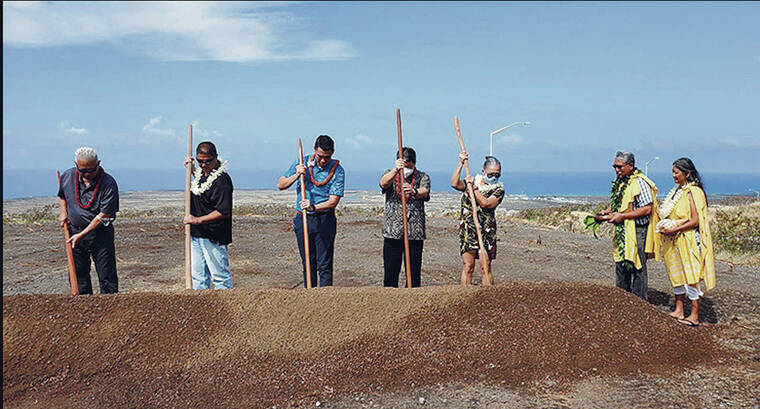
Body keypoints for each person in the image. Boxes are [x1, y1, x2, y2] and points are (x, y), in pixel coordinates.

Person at [278, 135, 345, 287]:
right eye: (320, 156)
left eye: (327, 157)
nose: (323, 161)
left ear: (332, 153)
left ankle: (325, 299)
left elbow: (333, 201)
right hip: (303, 219)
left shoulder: (338, 170)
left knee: (324, 265)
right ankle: (309, 298)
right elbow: (281, 184)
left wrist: (313, 207)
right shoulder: (302, 162)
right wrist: (297, 175)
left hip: (324, 219)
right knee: (308, 263)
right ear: (315, 150)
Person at [657, 158, 715, 327]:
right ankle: (679, 309)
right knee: (676, 273)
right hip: (673, 239)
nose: (673, 175)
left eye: (676, 172)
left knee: (691, 275)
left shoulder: (693, 192)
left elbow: (696, 220)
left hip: (687, 239)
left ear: (687, 173)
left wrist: (675, 228)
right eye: (673, 172)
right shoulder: (678, 191)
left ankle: (694, 315)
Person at [594, 150, 659, 301]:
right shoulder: (622, 181)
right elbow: (621, 204)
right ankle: (622, 300)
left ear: (631, 165)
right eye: (615, 167)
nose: (617, 170)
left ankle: (639, 302)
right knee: (621, 264)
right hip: (623, 230)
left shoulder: (640, 182)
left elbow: (647, 208)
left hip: (637, 230)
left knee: (637, 266)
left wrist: (622, 216)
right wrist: (608, 212)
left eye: (620, 167)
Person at [57, 147, 120, 294]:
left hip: (100, 234)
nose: (87, 174)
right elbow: (62, 195)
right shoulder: (68, 176)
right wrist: (63, 211)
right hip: (75, 232)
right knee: (79, 274)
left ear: (98, 164)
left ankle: (111, 309)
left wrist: (82, 235)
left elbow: (104, 215)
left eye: (91, 170)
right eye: (82, 170)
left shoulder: (108, 183)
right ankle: (83, 309)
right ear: (76, 164)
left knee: (107, 275)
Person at [183, 141, 234, 290]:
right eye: (200, 161)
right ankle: (202, 310)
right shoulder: (201, 174)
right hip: (196, 234)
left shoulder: (222, 181)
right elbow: (201, 184)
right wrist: (192, 169)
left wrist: (197, 220)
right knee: (198, 277)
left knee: (220, 277)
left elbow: (223, 211)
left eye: (207, 161)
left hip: (214, 235)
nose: (203, 165)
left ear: (216, 158)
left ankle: (226, 308)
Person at [379, 147, 431, 288]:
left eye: (409, 165)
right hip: (393, 231)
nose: (406, 168)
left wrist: (414, 191)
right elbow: (383, 183)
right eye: (404, 164)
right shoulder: (391, 174)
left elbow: (425, 191)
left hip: (414, 232)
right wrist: (396, 170)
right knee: (390, 271)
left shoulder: (422, 176)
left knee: (413, 273)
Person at [450, 153, 505, 286]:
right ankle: (464, 295)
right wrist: (461, 163)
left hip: (486, 230)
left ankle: (487, 297)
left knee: (484, 266)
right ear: (483, 171)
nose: (493, 177)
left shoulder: (498, 189)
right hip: (469, 229)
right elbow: (454, 183)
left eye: (497, 175)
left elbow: (486, 203)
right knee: (468, 266)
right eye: (490, 174)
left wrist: (473, 188)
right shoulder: (471, 182)